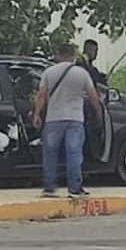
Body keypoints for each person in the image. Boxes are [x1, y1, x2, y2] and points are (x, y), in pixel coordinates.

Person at [33, 43, 102, 198]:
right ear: (73, 55)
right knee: (74, 153)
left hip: (53, 119)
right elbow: (93, 95)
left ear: (58, 55)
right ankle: (75, 187)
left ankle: (49, 187)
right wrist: (98, 111)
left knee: (50, 153)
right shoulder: (82, 73)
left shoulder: (49, 72)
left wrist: (37, 114)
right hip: (75, 119)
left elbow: (41, 95)